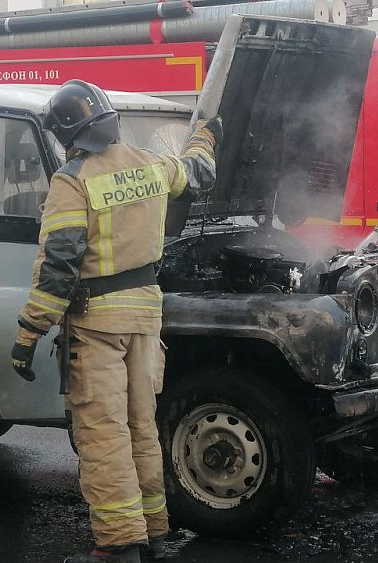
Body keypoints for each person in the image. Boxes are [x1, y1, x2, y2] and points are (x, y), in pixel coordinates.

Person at [12, 79, 221, 563]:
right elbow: (200, 171)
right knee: (140, 427)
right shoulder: (153, 165)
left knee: (103, 434)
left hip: (97, 325)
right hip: (146, 318)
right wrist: (205, 133)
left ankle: (120, 544)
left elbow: (58, 267)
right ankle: (154, 530)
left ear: (68, 135)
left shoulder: (72, 181)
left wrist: (29, 332)